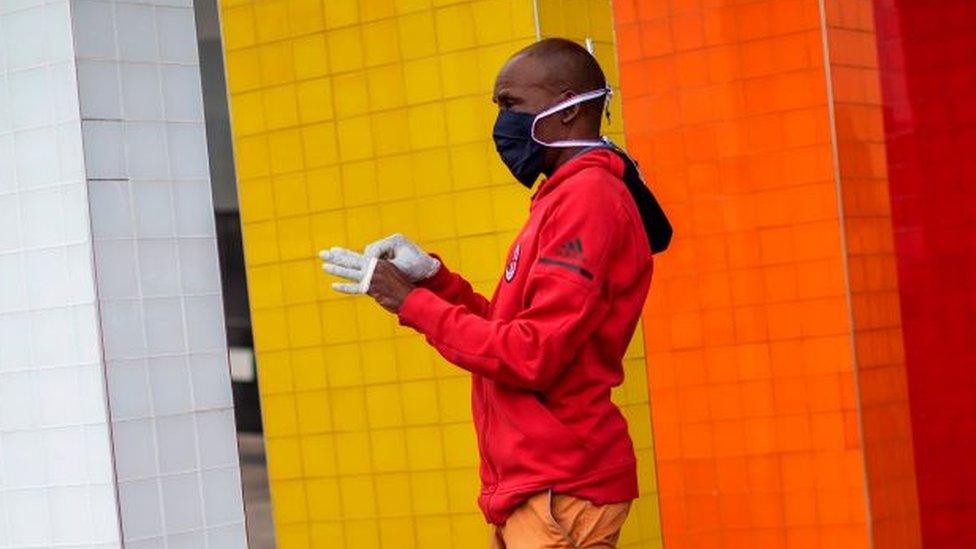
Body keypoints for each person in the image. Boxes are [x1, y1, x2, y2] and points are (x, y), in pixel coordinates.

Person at [320, 38, 671, 548]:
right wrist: (433, 281)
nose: (501, 124)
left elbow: (532, 356)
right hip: (536, 485)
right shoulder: (561, 199)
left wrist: (409, 301)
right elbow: (514, 336)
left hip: (561, 487)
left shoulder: (588, 200)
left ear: (568, 108)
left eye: (511, 105)